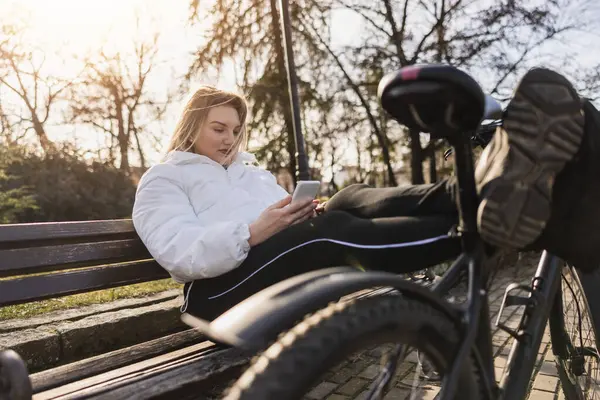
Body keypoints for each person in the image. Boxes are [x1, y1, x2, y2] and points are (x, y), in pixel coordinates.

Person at [132, 67, 600, 321]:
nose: (231, 138)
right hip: (217, 297)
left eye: (235, 129)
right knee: (324, 232)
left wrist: (293, 213)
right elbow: (180, 254)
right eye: (219, 128)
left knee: (346, 200)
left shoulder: (248, 172)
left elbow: (281, 221)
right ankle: (492, 230)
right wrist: (255, 231)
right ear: (191, 125)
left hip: (271, 266)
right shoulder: (163, 179)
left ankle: (479, 192)